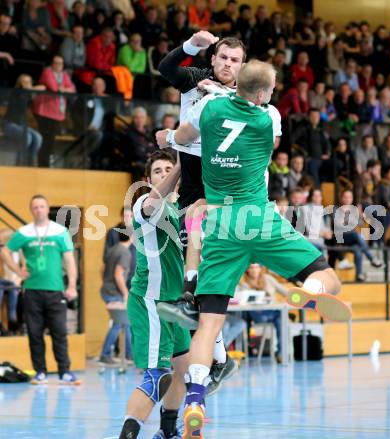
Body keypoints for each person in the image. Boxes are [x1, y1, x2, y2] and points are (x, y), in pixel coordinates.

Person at [156, 60, 346, 437]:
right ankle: (308, 294)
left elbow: (182, 136)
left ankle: (195, 397)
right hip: (258, 218)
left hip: (222, 224)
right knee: (329, 277)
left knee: (208, 325)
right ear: (262, 94)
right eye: (270, 90)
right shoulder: (267, 119)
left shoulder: (208, 108)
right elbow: (261, 122)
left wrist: (171, 138)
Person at [157, 31, 246, 385]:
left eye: (234, 60)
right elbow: (165, 67)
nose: (227, 64)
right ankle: (221, 358)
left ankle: (219, 357)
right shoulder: (195, 76)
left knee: (204, 263)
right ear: (213, 58)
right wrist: (192, 44)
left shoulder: (244, 95)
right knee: (189, 262)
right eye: (223, 57)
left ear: (242, 66)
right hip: (191, 176)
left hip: (221, 181)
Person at [118, 151, 191, 439]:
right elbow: (154, 202)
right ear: (148, 180)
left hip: (174, 304)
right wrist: (183, 163)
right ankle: (128, 434)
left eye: (168, 168)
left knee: (182, 371)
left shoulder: (181, 210)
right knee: (157, 376)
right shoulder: (145, 205)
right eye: (158, 170)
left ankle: (168, 430)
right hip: (151, 301)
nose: (163, 173)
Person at [0, 195, 79, 385]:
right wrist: (18, 270)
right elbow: (5, 252)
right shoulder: (24, 232)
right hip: (32, 291)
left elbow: (69, 259)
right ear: (31, 210)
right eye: (35, 207)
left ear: (47, 208)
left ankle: (64, 371)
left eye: (42, 206)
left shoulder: (60, 231)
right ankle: (40, 372)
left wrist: (71, 285)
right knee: (35, 334)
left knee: (59, 332)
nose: (39, 210)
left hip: (55, 290)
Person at [238, 263, 290, 364]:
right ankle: (280, 354)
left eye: (256, 267)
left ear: (260, 268)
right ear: (247, 270)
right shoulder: (244, 284)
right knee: (279, 316)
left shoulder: (268, 279)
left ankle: (280, 353)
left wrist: (297, 296)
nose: (254, 270)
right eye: (251, 267)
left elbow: (284, 291)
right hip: (256, 314)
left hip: (272, 312)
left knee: (280, 319)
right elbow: (243, 301)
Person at [99, 227, 132, 364]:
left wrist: (106, 283)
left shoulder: (113, 249)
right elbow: (118, 275)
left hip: (108, 290)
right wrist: (125, 294)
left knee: (126, 323)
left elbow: (102, 269)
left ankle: (130, 355)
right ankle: (105, 354)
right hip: (114, 293)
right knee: (119, 323)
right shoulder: (125, 252)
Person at [2, 74, 45, 166]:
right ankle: (20, 162)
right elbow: (21, 103)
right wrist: (30, 90)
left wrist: (31, 89)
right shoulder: (17, 92)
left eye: (29, 82)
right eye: (24, 82)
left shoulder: (28, 94)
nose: (27, 84)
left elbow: (43, 87)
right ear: (20, 83)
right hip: (9, 124)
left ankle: (30, 162)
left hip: (22, 126)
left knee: (38, 137)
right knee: (27, 137)